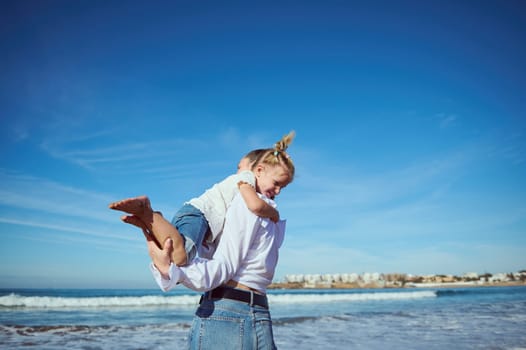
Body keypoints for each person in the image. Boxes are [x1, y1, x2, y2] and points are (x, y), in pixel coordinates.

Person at [147, 139, 295, 350]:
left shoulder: (265, 211)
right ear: (259, 171)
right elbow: (224, 265)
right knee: (182, 255)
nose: (279, 191)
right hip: (230, 314)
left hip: (257, 312)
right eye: (277, 183)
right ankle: (153, 222)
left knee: (185, 253)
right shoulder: (246, 205)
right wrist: (174, 272)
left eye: (284, 186)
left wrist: (273, 212)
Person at [108, 138, 287, 266]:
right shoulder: (246, 179)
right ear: (258, 170)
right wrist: (274, 213)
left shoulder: (248, 177)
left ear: (256, 167)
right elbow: (255, 205)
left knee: (174, 259)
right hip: (198, 215)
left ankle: (150, 222)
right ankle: (149, 214)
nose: (237, 172)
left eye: (239, 167)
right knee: (181, 257)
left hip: (195, 216)